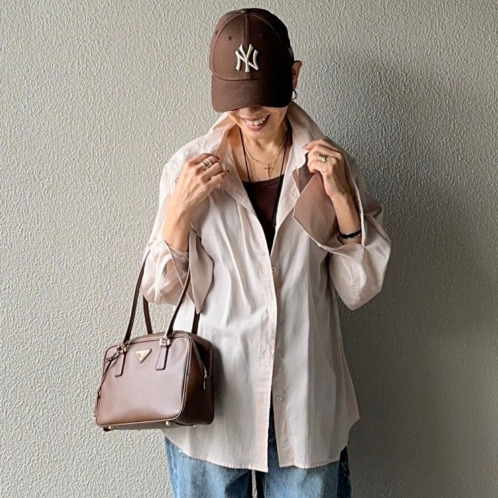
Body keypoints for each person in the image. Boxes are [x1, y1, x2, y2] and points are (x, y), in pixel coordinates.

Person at [140, 8, 391, 498]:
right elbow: (160, 287)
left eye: (263, 96)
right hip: (212, 409)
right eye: (238, 98)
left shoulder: (329, 166)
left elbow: (358, 289)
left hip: (304, 405)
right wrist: (179, 211)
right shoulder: (187, 167)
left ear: (293, 77)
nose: (251, 112)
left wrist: (343, 198)